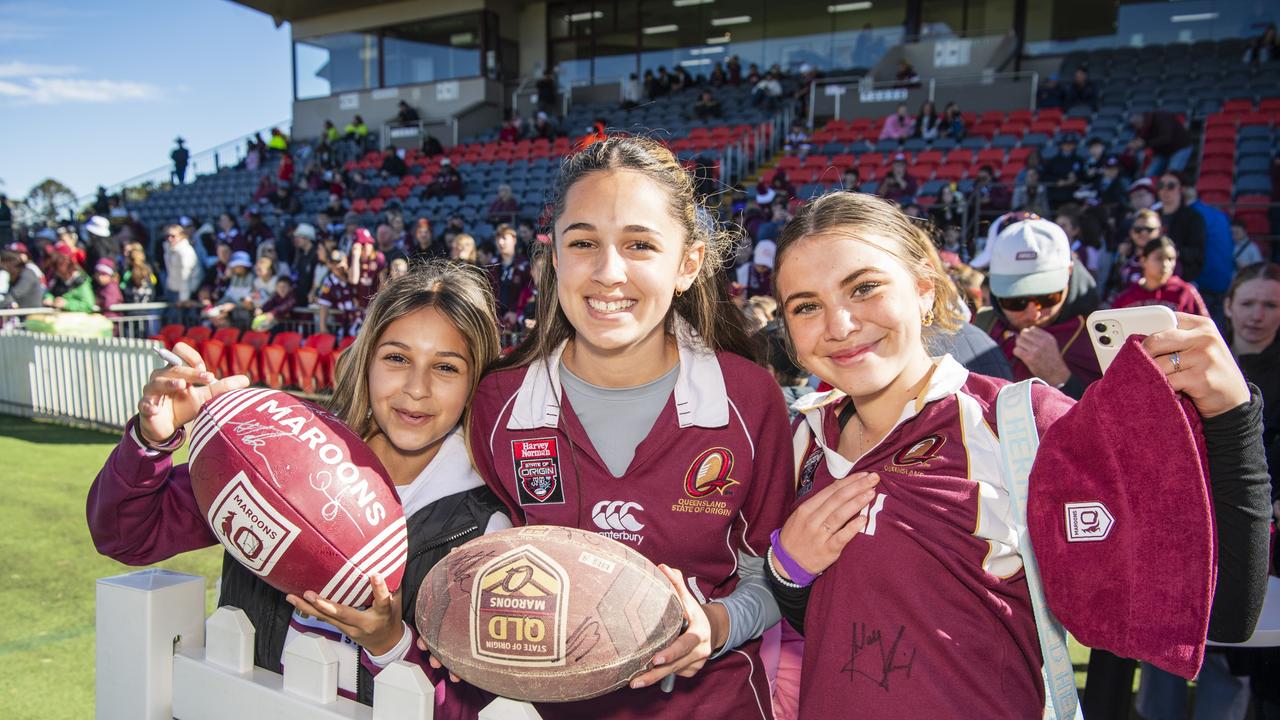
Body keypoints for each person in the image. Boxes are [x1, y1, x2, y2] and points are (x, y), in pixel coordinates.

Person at [766, 191, 1270, 720]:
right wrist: (786, 574)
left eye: (865, 287)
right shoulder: (801, 437)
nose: (839, 325)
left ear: (922, 288)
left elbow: (1224, 612)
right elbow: (828, 620)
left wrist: (1233, 418)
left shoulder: (1017, 423)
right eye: (806, 306)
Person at [459, 135, 794, 720]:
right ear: (555, 257)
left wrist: (713, 626)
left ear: (687, 264)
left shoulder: (748, 399)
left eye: (640, 244)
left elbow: (773, 577)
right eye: (584, 242)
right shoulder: (497, 401)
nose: (609, 272)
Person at [87, 263, 510, 714]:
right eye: (397, 358)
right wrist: (153, 440)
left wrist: (389, 643)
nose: (416, 388)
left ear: (476, 383)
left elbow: (471, 705)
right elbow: (125, 535)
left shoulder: (487, 525)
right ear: (366, 358)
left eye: (445, 367)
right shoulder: (282, 454)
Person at [976, 215, 1101, 399]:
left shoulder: (1099, 336)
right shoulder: (982, 326)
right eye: (1015, 302)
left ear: (1069, 272)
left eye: (1047, 297)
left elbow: (1117, 420)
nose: (1033, 314)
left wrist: (1061, 378)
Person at [1112, 236, 1210, 316]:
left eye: (1170, 259)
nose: (1165, 264)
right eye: (1159, 258)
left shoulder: (1186, 292)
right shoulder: (1127, 297)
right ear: (1143, 261)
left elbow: (1205, 327)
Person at [1157, 171, 1207, 282]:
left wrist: (1174, 252)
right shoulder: (1153, 216)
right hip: (1154, 278)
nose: (1165, 190)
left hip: (1181, 280)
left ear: (1181, 189)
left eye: (1171, 186)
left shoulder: (1193, 218)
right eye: (1160, 186)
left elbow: (1198, 254)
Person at [487, 224, 531, 330]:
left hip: (517, 322)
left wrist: (516, 312)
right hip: (496, 321)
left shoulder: (524, 266)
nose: (501, 242)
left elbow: (528, 294)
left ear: (514, 239)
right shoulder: (491, 266)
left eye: (504, 238)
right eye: (498, 238)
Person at [1129, 111, 1193, 177]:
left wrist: (1144, 143)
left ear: (1140, 122)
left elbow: (1166, 139)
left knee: (1172, 175)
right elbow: (1144, 139)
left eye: (1137, 126)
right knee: (1148, 176)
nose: (1137, 129)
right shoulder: (1144, 127)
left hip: (1180, 148)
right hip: (1163, 153)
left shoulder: (1162, 119)